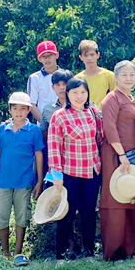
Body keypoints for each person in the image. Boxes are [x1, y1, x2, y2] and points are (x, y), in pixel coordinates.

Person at [48, 77, 103, 259]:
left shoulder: (93, 112)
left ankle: (89, 251)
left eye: (83, 92)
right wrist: (56, 175)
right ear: (68, 94)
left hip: (92, 170)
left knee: (89, 212)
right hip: (69, 173)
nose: (79, 96)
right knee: (67, 213)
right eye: (75, 92)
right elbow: (54, 146)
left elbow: (100, 138)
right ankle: (61, 253)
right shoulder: (60, 116)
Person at [0, 92, 44, 266]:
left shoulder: (34, 130)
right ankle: (5, 252)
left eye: (23, 109)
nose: (19, 112)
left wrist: (39, 181)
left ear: (28, 110)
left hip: (24, 182)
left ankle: (18, 252)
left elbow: (39, 156)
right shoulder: (2, 130)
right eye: (15, 108)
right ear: (10, 110)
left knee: (22, 216)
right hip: (3, 183)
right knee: (1, 216)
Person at [100, 60, 135, 261]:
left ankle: (128, 248)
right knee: (115, 199)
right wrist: (121, 155)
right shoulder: (112, 98)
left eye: (132, 75)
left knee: (130, 197)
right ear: (116, 77)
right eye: (124, 75)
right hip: (115, 155)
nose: (128, 78)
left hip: (132, 155)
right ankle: (114, 250)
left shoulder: (133, 100)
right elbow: (109, 128)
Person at [40, 69, 74, 184]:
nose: (62, 88)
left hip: (77, 159)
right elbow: (44, 133)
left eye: (65, 84)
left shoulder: (85, 107)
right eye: (57, 85)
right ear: (53, 87)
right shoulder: (48, 110)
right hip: (55, 160)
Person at [75, 39, 116, 110]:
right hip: (84, 114)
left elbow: (116, 98)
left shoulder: (109, 76)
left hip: (104, 114)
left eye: (92, 55)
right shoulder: (77, 79)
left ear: (98, 55)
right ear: (81, 57)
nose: (89, 58)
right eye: (86, 55)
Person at [28, 40, 60, 123]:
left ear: (57, 55)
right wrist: (44, 124)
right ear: (39, 59)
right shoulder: (34, 78)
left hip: (65, 123)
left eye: (50, 55)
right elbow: (32, 104)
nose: (47, 59)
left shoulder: (66, 76)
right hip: (44, 124)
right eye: (43, 56)